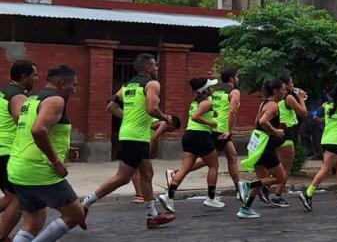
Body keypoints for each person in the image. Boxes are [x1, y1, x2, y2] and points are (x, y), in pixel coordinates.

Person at [82, 53, 176, 229]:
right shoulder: (152, 84)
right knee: (122, 178)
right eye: (155, 65)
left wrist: (129, 119)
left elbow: (110, 106)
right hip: (137, 137)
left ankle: (152, 215)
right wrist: (166, 119)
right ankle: (85, 203)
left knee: (147, 173)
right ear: (148, 68)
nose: (157, 68)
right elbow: (151, 108)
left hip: (129, 133)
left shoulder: (127, 86)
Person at [7, 65, 85, 242]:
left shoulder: (31, 99)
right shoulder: (56, 100)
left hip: (19, 168)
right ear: (63, 83)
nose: (74, 90)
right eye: (74, 85)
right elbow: (38, 130)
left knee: (33, 222)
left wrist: (65, 149)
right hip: (40, 171)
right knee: (75, 214)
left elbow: (33, 130)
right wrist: (56, 161)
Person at [158, 78, 224, 213]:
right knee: (213, 165)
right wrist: (211, 123)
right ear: (204, 90)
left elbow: (198, 114)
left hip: (188, 136)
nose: (212, 89)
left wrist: (211, 114)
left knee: (184, 169)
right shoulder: (206, 102)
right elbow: (195, 117)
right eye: (210, 87)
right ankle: (211, 198)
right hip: (201, 136)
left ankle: (169, 196)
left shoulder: (195, 102)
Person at [177, 68, 241, 202]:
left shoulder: (215, 91)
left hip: (214, 128)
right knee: (211, 162)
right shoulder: (234, 92)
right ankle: (176, 173)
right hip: (221, 130)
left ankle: (239, 188)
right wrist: (229, 131)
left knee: (232, 155)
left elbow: (211, 108)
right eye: (237, 77)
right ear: (231, 78)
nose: (238, 79)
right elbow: (232, 112)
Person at [299, 83, 337, 211]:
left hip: (326, 140)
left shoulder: (326, 105)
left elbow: (315, 116)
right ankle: (308, 194)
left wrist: (330, 121)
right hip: (336, 142)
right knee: (325, 169)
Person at [235, 79, 288, 219]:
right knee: (280, 177)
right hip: (265, 146)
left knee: (262, 180)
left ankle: (245, 208)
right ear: (275, 91)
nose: (285, 92)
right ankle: (247, 185)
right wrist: (276, 131)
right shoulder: (274, 106)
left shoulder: (263, 103)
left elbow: (256, 121)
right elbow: (262, 121)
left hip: (257, 142)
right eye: (282, 89)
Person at [0, 60, 38, 241]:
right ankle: (3, 236)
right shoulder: (18, 96)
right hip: (7, 151)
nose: (37, 79)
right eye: (34, 75)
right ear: (24, 77)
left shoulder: (4, 91)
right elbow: (21, 122)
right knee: (18, 198)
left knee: (9, 197)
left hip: (1, 150)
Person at [269, 72, 306, 207]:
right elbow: (303, 112)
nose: (293, 85)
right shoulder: (288, 98)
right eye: (290, 83)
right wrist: (301, 98)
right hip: (286, 134)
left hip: (275, 133)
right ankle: (277, 195)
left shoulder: (274, 99)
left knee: (277, 167)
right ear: (284, 84)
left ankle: (266, 188)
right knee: (286, 168)